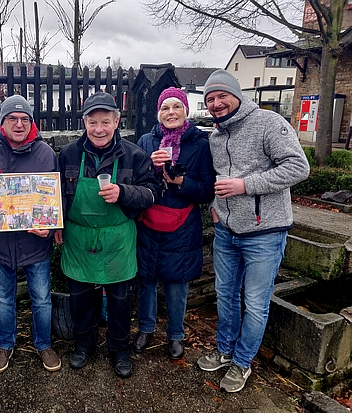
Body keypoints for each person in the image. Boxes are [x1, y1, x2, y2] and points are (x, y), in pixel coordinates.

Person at [197, 69, 310, 392]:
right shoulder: (216, 135)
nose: (216, 103)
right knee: (225, 295)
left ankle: (242, 362)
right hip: (226, 230)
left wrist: (246, 185)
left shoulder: (268, 123)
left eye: (222, 96)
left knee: (256, 302)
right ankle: (224, 350)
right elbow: (220, 177)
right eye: (210, 99)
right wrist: (215, 206)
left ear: (237, 95)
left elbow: (298, 167)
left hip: (265, 232)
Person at [55, 92, 157, 379]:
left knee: (120, 302)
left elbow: (152, 193)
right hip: (79, 238)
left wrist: (123, 192)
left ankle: (119, 350)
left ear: (116, 121)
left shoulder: (135, 156)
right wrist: (57, 223)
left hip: (117, 240)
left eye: (105, 122)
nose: (99, 129)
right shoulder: (68, 154)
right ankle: (84, 345)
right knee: (80, 300)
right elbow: (56, 193)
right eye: (93, 122)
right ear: (84, 122)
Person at [0, 94, 61, 374]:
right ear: (2, 122)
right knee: (4, 299)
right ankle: (5, 344)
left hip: (35, 244)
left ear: (31, 122)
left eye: (24, 119)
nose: (19, 124)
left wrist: (52, 226)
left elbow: (57, 198)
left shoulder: (46, 153)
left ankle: (44, 344)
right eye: (12, 118)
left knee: (41, 299)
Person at [133, 87, 215, 360]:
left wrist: (181, 182)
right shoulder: (146, 141)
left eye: (176, 107)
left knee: (177, 283)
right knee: (146, 280)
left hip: (182, 224)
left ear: (185, 110)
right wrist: (150, 165)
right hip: (149, 221)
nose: (171, 112)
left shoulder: (199, 144)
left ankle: (176, 334)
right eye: (165, 108)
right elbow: (135, 180)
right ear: (159, 113)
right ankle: (145, 328)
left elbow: (207, 190)